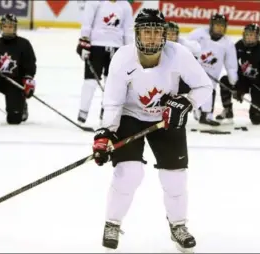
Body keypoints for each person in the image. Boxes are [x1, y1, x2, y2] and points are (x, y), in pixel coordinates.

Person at [92, 8, 212, 253]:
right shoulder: (123, 58)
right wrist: (105, 133)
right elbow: (113, 102)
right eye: (146, 32)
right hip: (131, 117)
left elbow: (204, 87)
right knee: (129, 172)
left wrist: (186, 102)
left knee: (175, 177)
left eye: (157, 32)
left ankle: (178, 225)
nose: (152, 37)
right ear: (136, 34)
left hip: (167, 118)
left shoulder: (179, 54)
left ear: (164, 35)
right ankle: (112, 223)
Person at [76, 0, 134, 124]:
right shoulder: (95, 2)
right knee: (90, 81)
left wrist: (129, 50)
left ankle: (106, 112)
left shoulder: (125, 5)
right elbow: (87, 23)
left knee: (111, 84)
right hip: (96, 47)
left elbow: (128, 30)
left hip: (116, 48)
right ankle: (83, 112)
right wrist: (84, 42)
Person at [187, 14, 238, 126]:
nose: (220, 28)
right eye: (217, 25)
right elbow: (185, 49)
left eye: (222, 26)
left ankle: (206, 115)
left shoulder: (227, 43)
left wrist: (233, 82)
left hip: (212, 76)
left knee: (210, 89)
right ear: (211, 25)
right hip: (194, 72)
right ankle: (198, 110)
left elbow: (231, 65)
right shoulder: (198, 34)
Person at [216, 23, 260, 125]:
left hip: (257, 84)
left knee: (256, 120)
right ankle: (227, 110)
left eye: (252, 35)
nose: (249, 37)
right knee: (225, 81)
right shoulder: (239, 45)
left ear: (257, 36)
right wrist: (239, 87)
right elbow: (232, 66)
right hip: (243, 79)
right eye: (247, 35)